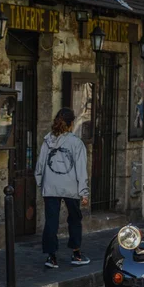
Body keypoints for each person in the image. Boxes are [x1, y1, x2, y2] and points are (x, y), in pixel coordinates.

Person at [35, 108, 90, 269]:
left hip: (50, 186)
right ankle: (76, 253)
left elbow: (40, 165)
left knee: (51, 221)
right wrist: (83, 192)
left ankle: (51, 257)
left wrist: (41, 183)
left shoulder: (47, 140)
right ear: (71, 123)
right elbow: (80, 169)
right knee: (74, 219)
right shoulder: (76, 143)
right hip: (70, 187)